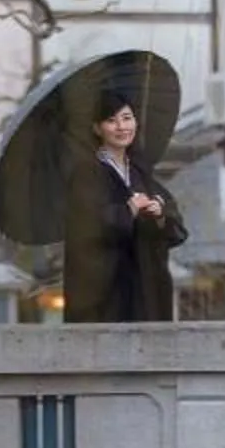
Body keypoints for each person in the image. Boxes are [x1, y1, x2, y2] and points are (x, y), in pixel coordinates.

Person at [62, 90, 185, 323]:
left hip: (144, 284)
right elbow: (85, 224)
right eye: (111, 120)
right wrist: (127, 210)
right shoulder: (86, 174)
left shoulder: (140, 172)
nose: (121, 126)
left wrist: (159, 214)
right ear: (97, 128)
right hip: (106, 290)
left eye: (127, 118)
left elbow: (173, 220)